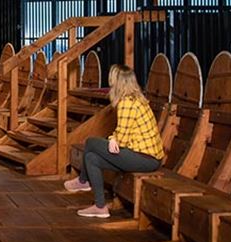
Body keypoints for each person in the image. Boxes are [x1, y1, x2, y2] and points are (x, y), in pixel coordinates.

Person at [64, 64, 165, 218]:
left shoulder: (127, 103)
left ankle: (83, 181)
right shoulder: (136, 98)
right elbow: (122, 135)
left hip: (145, 159)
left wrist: (113, 139)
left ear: (117, 82)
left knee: (91, 142)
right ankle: (100, 207)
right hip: (145, 156)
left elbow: (122, 139)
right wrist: (113, 139)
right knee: (91, 158)